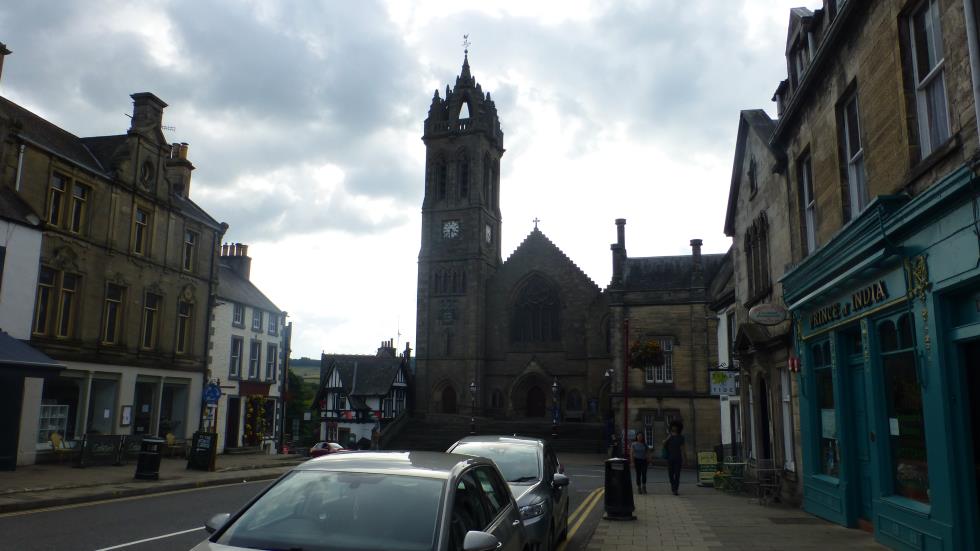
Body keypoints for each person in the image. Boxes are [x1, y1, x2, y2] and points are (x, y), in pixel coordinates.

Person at [662, 421, 686, 495]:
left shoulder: (681, 437)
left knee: (677, 475)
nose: (674, 428)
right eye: (673, 426)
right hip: (670, 458)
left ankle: (675, 489)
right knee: (671, 474)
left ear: (679, 428)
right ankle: (673, 486)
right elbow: (663, 444)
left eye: (676, 426)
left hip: (678, 458)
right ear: (671, 427)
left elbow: (683, 449)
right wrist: (668, 438)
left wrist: (685, 459)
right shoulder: (669, 436)